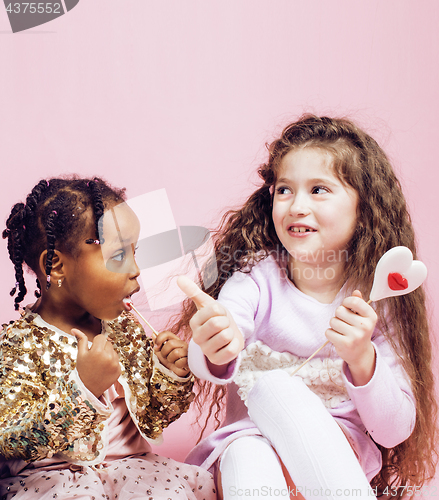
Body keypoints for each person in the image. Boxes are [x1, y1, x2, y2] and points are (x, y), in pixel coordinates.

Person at [175, 115, 437, 500]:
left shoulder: (377, 300)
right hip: (250, 449)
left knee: (280, 387)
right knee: (249, 444)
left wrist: (363, 358)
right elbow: (221, 334)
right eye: (284, 190)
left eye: (318, 190)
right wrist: (217, 343)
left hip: (333, 467)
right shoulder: (255, 279)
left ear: (365, 208)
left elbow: (394, 430)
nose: (296, 206)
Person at [0, 177, 216, 500]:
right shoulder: (18, 344)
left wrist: (172, 373)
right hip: (52, 481)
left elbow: (155, 414)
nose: (136, 270)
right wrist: (82, 389)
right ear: (56, 266)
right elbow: (11, 437)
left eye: (134, 253)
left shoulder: (123, 328)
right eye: (118, 256)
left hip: (134, 470)